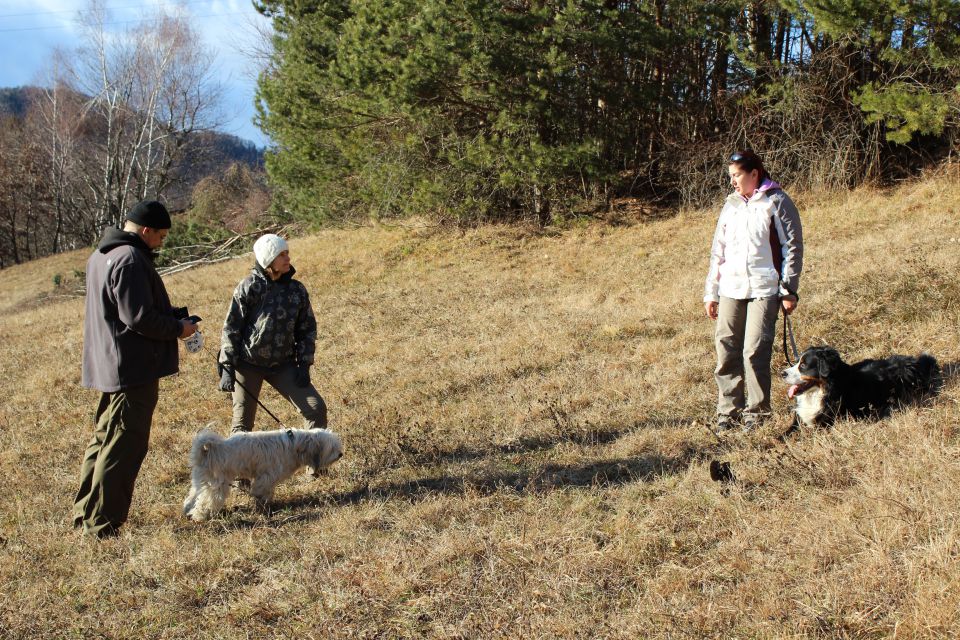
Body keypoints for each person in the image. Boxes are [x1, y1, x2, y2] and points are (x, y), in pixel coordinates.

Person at [73, 200, 198, 538]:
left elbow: (126, 308)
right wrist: (179, 329)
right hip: (132, 368)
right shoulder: (129, 260)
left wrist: (172, 314)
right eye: (161, 235)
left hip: (111, 364)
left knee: (104, 439)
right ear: (145, 230)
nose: (162, 242)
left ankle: (86, 511)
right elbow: (139, 318)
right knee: (124, 445)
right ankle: (102, 524)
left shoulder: (101, 256)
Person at [703, 150, 803, 432]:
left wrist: (788, 289)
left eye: (737, 175)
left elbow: (792, 247)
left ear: (754, 173)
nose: (733, 181)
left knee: (754, 351)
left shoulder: (777, 201)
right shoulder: (730, 205)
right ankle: (728, 412)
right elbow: (718, 251)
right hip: (730, 288)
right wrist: (711, 292)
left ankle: (757, 415)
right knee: (726, 351)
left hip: (764, 287)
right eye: (731, 176)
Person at [218, 233, 327, 433]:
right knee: (241, 428)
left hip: (283, 365)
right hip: (248, 364)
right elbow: (232, 327)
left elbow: (307, 329)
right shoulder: (249, 287)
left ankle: (316, 464)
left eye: (287, 253)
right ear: (268, 259)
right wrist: (227, 366)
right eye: (282, 254)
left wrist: (304, 365)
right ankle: (238, 464)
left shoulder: (297, 290)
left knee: (316, 410)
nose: (288, 258)